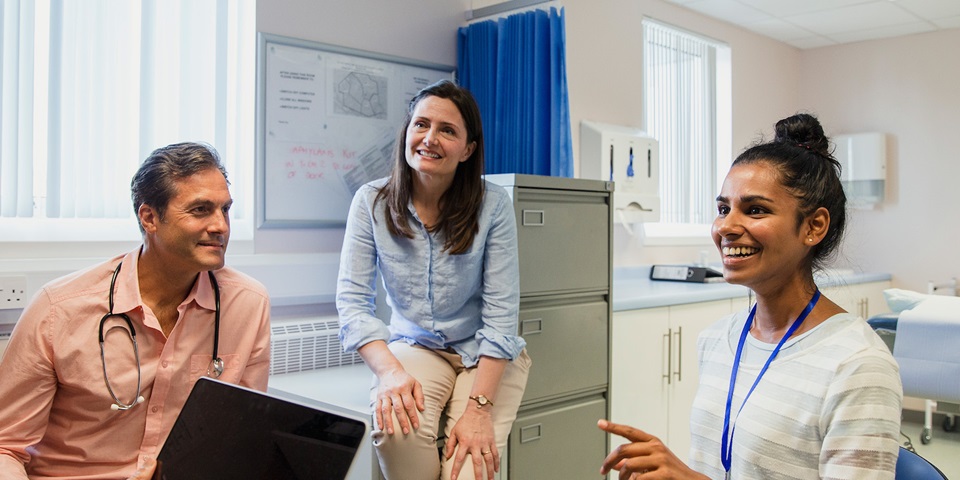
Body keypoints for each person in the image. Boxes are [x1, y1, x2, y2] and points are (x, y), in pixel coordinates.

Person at [599, 114, 902, 479]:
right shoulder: (718, 340)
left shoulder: (857, 364)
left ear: (813, 226)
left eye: (755, 209)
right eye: (723, 208)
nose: (725, 227)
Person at [0, 142, 271, 479]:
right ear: (149, 217)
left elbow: (238, 436)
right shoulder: (59, 310)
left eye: (225, 209)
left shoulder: (247, 304)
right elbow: (5, 446)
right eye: (201, 210)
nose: (221, 226)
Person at [336, 79, 531, 480]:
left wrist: (479, 409)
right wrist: (389, 372)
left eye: (448, 130)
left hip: (485, 352)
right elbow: (353, 304)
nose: (430, 138)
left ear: (468, 149)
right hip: (416, 345)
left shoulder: (493, 205)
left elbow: (501, 314)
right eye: (421, 124)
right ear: (407, 132)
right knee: (395, 431)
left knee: (470, 468)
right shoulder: (370, 202)